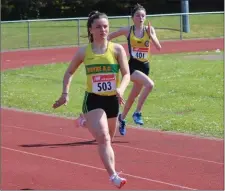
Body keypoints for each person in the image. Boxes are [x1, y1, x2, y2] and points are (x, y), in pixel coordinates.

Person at [52, 11, 130, 189]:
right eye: (98, 27)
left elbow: (126, 74)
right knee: (102, 137)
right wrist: (65, 93)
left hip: (112, 100)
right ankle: (113, 176)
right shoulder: (83, 52)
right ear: (91, 30)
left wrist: (120, 89)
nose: (103, 30)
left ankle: (85, 121)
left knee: (109, 139)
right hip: (93, 100)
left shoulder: (117, 50)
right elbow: (69, 72)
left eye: (105, 26)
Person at [107, 4, 162, 136]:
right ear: (133, 18)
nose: (141, 18)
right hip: (132, 66)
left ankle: (122, 118)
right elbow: (109, 36)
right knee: (150, 85)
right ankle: (137, 112)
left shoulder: (150, 29)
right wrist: (106, 50)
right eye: (138, 15)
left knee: (132, 97)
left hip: (145, 67)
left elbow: (159, 47)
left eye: (143, 15)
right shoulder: (128, 30)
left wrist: (151, 35)